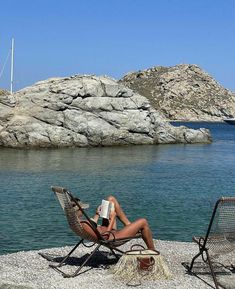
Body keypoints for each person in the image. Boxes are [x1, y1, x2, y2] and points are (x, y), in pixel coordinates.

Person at [72, 195, 156, 250]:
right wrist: (112, 218)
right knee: (143, 221)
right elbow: (105, 238)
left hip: (104, 230)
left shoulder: (77, 221)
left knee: (110, 199)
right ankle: (153, 252)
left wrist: (97, 214)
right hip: (112, 237)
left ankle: (128, 225)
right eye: (82, 209)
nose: (83, 210)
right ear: (78, 210)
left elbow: (93, 226)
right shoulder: (84, 224)